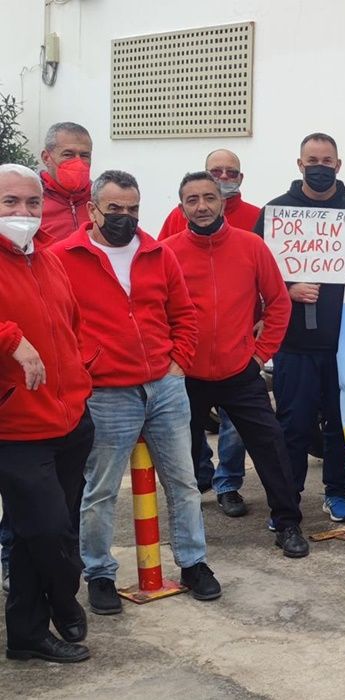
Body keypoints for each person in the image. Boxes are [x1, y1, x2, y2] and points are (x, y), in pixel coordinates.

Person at [50, 170, 220, 616]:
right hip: (107, 393)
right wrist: (86, 371)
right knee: (101, 489)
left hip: (164, 387)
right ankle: (100, 573)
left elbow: (184, 312)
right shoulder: (62, 257)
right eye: (115, 209)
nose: (124, 218)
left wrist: (177, 362)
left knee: (183, 482)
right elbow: (56, 325)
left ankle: (193, 562)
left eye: (132, 209)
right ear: (92, 209)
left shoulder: (157, 252)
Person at [164, 172, 309, 557]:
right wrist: (172, 358)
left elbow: (278, 302)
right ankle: (186, 534)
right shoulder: (167, 252)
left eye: (208, 197)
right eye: (192, 199)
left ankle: (288, 523)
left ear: (222, 201)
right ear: (182, 207)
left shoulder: (251, 246)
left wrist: (261, 353)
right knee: (180, 456)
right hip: (186, 376)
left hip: (239, 371)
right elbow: (154, 311)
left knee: (271, 447)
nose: (201, 206)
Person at [0, 164, 94, 663]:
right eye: (10, 202)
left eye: (31, 203)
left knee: (36, 532)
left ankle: (26, 634)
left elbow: (70, 326)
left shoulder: (48, 259)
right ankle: (63, 599)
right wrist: (13, 340)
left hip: (70, 419)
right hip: (17, 427)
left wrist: (81, 380)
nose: (22, 213)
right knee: (47, 530)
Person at [254, 133, 345, 522]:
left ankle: (337, 491)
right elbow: (254, 272)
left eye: (327, 161)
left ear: (338, 165)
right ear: (299, 165)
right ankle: (288, 497)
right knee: (292, 426)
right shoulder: (276, 213)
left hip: (344, 344)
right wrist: (287, 288)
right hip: (294, 343)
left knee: (340, 423)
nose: (319, 167)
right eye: (312, 160)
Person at [158, 149, 261, 518]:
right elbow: (160, 272)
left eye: (231, 171)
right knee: (189, 426)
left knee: (236, 426)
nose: (224, 176)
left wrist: (260, 342)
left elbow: (269, 275)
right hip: (188, 353)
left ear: (239, 178)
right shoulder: (177, 218)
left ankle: (228, 483)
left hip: (238, 345)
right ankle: (198, 476)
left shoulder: (257, 219)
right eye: (216, 171)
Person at [38, 122, 93, 242]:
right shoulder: (28, 201)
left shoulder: (99, 199)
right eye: (68, 154)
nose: (78, 162)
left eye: (84, 155)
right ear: (46, 158)